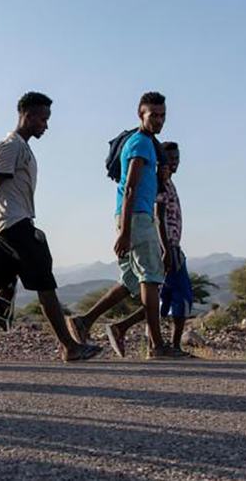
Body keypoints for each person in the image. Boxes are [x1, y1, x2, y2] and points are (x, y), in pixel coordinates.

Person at [0, 92, 102, 363]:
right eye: (43, 119)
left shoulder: (17, 147)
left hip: (5, 226)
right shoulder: (12, 147)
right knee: (45, 281)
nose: (46, 125)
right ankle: (69, 346)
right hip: (15, 226)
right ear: (28, 116)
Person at [65, 92, 168, 358]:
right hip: (136, 216)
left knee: (131, 279)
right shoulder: (141, 143)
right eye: (153, 115)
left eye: (162, 115)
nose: (158, 120)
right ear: (140, 115)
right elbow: (131, 187)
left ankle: (85, 321)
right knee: (150, 278)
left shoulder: (145, 142)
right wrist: (125, 232)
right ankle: (157, 346)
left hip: (133, 216)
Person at [103, 141, 195, 358]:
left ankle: (146, 340)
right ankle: (164, 346)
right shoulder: (159, 184)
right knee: (178, 295)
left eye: (177, 159)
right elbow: (159, 217)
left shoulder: (167, 183)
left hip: (170, 245)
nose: (174, 163)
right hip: (167, 246)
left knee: (162, 296)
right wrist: (167, 249)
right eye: (169, 159)